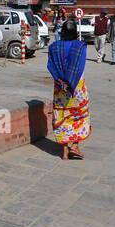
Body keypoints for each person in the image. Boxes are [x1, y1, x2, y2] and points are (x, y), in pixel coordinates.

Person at [47, 22, 91, 160]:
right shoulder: (80, 47)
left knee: (62, 117)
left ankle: (65, 151)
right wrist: (71, 82)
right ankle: (75, 145)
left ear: (63, 32)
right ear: (75, 33)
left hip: (61, 89)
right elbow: (80, 66)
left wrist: (61, 82)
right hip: (76, 87)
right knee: (80, 116)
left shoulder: (54, 47)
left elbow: (50, 66)